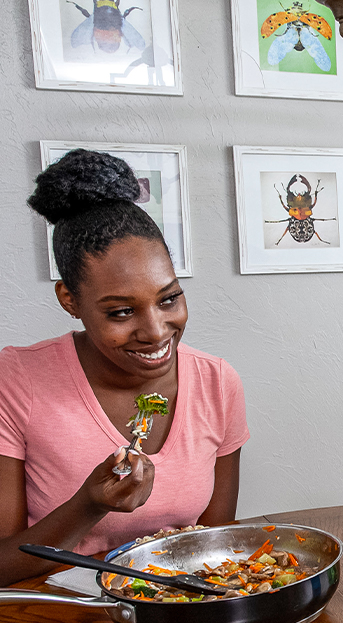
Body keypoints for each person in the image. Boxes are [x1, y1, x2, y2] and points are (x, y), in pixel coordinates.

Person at [0, 149, 249, 586]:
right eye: (120, 312)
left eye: (169, 298)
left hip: (173, 613)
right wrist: (90, 505)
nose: (155, 332)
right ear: (69, 301)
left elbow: (212, 544)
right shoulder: (16, 380)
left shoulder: (217, 382)